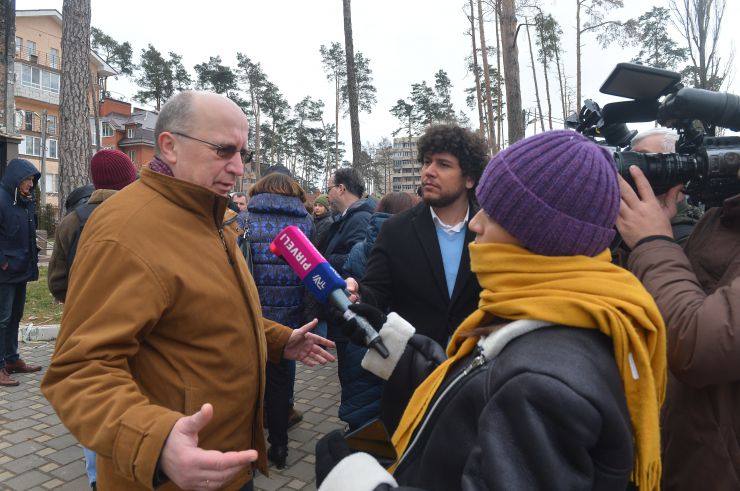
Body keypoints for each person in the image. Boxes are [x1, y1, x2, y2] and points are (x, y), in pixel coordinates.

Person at [316, 130, 668, 491]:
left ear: (537, 232)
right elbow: (488, 378)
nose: (476, 224)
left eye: (495, 214)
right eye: (426, 163)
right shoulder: (563, 307)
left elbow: (512, 384)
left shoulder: (542, 386)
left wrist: (358, 484)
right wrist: (403, 353)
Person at [41, 91, 335, 491]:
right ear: (169, 146)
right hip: (168, 478)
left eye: (242, 154)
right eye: (223, 150)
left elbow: (209, 315)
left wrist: (279, 339)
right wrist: (156, 442)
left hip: (224, 467)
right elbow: (79, 371)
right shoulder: (125, 230)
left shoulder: (212, 218)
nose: (237, 168)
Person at [617, 158, 740, 489]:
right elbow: (679, 301)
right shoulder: (723, 216)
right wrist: (654, 235)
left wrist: (652, 241)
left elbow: (696, 344)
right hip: (685, 452)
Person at [347, 123, 487, 350]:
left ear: (469, 178)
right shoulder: (395, 230)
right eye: (426, 162)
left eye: (443, 164)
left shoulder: (491, 230)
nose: (429, 171)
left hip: (478, 372)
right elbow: (375, 293)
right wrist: (357, 295)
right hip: (413, 370)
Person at [246, 171, 314, 469]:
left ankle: (247, 448)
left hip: (251, 316)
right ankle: (279, 447)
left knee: (248, 381)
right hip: (289, 320)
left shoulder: (243, 220)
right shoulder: (305, 223)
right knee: (280, 382)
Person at [337, 192, 417, 431]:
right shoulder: (417, 246)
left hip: (361, 341)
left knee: (362, 416)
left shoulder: (360, 249)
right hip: (401, 344)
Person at [48, 149, 138, 303]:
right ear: (129, 181)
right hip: (133, 313)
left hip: (83, 315)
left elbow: (57, 282)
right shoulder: (140, 215)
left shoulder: (71, 221)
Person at [0, 158, 42, 386]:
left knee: (15, 317)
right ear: (16, 179)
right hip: (5, 272)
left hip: (22, 269)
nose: (31, 184)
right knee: (2, 319)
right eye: (28, 179)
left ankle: (12, 359)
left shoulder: (25, 201)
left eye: (33, 180)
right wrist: (3, 262)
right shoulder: (1, 199)